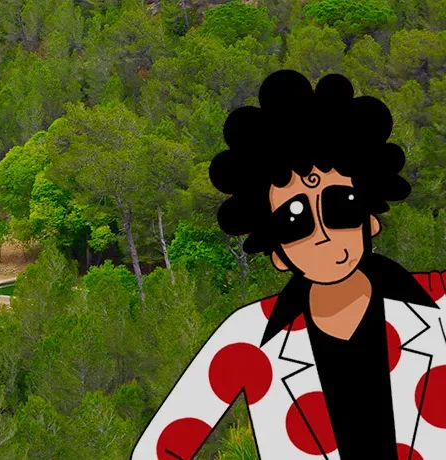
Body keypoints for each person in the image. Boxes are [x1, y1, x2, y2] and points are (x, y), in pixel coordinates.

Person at [133, 70, 446, 459]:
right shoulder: (247, 338)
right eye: (294, 222)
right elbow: (159, 448)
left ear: (370, 219)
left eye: (340, 207)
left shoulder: (440, 304)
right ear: (277, 253)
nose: (323, 232)